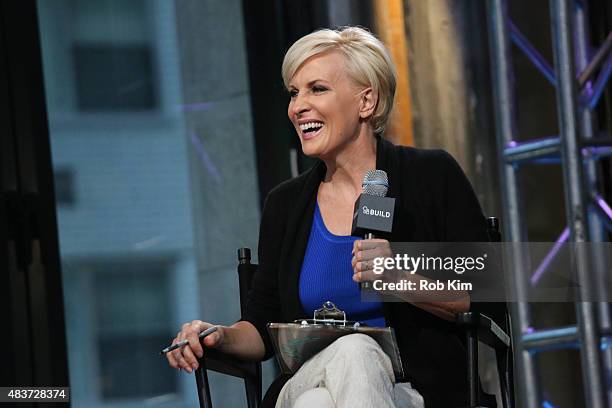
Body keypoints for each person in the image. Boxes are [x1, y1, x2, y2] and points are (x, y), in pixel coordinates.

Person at [166, 26, 501, 407]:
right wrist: (217, 336)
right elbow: (261, 328)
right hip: (308, 377)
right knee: (352, 352)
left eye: (317, 89)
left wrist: (400, 279)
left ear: (366, 102)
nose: (297, 106)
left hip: (414, 391)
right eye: (294, 93)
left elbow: (481, 298)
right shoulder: (286, 204)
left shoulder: (429, 176)